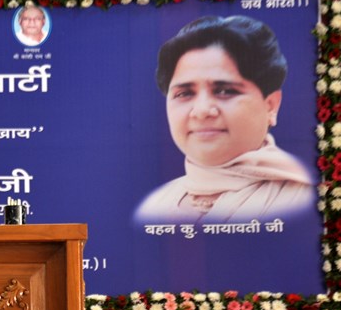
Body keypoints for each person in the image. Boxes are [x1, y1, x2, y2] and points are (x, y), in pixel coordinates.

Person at [134, 15, 314, 224]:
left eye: (225, 90)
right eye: (184, 93)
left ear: (271, 105)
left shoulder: (302, 201)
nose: (201, 111)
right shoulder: (155, 206)